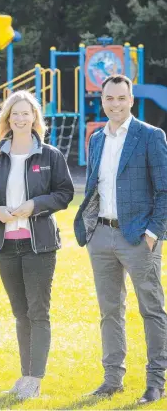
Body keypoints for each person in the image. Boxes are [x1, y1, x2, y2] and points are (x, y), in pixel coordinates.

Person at [74, 74, 167, 404]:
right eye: (109, 98)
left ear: (131, 100)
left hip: (139, 239)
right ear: (103, 101)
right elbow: (95, 188)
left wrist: (153, 234)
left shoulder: (150, 136)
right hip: (101, 237)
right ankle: (112, 379)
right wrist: (90, 230)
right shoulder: (97, 139)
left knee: (151, 310)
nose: (115, 104)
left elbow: (164, 190)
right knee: (109, 311)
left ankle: (156, 382)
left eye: (120, 98)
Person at [0, 90, 74, 400]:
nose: (20, 118)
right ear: (7, 118)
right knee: (20, 314)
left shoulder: (50, 155)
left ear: (35, 118)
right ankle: (24, 375)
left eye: (26, 113)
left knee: (38, 313)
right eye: (14, 113)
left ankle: (35, 378)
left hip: (39, 246)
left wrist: (35, 205)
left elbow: (64, 193)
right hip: (6, 246)